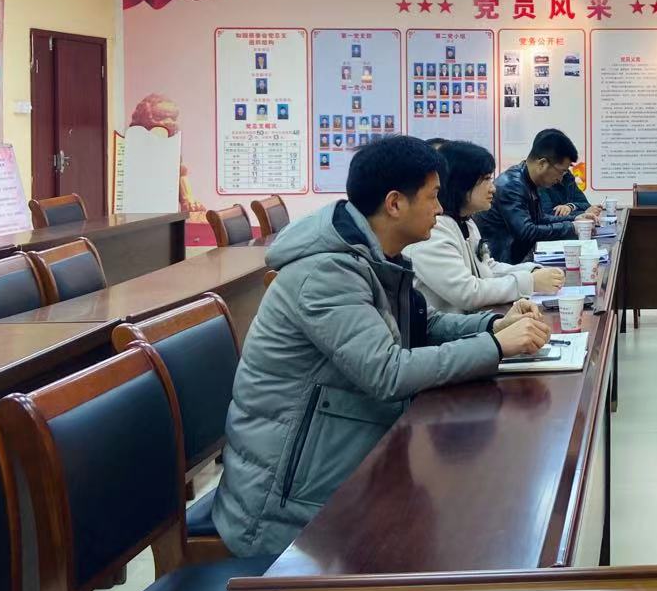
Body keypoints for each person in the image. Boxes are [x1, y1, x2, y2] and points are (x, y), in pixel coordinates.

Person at [214, 136, 550, 557]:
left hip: (345, 464)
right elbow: (387, 373)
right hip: (286, 504)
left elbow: (423, 324)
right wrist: (495, 346)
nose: (440, 209)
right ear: (394, 204)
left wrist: (494, 324)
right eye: (432, 197)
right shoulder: (327, 273)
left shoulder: (375, 255)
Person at [406, 141, 566, 311]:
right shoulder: (434, 230)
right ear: (462, 183)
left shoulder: (465, 222)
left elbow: (487, 269)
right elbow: (468, 293)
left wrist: (531, 271)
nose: (493, 188)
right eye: (486, 179)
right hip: (452, 327)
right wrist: (530, 282)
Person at [478, 128, 602, 263]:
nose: (561, 178)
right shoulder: (512, 185)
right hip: (501, 263)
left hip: (518, 259)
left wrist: (575, 219)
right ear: (542, 164)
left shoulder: (528, 179)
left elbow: (540, 218)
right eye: (561, 172)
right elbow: (526, 231)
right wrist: (572, 227)